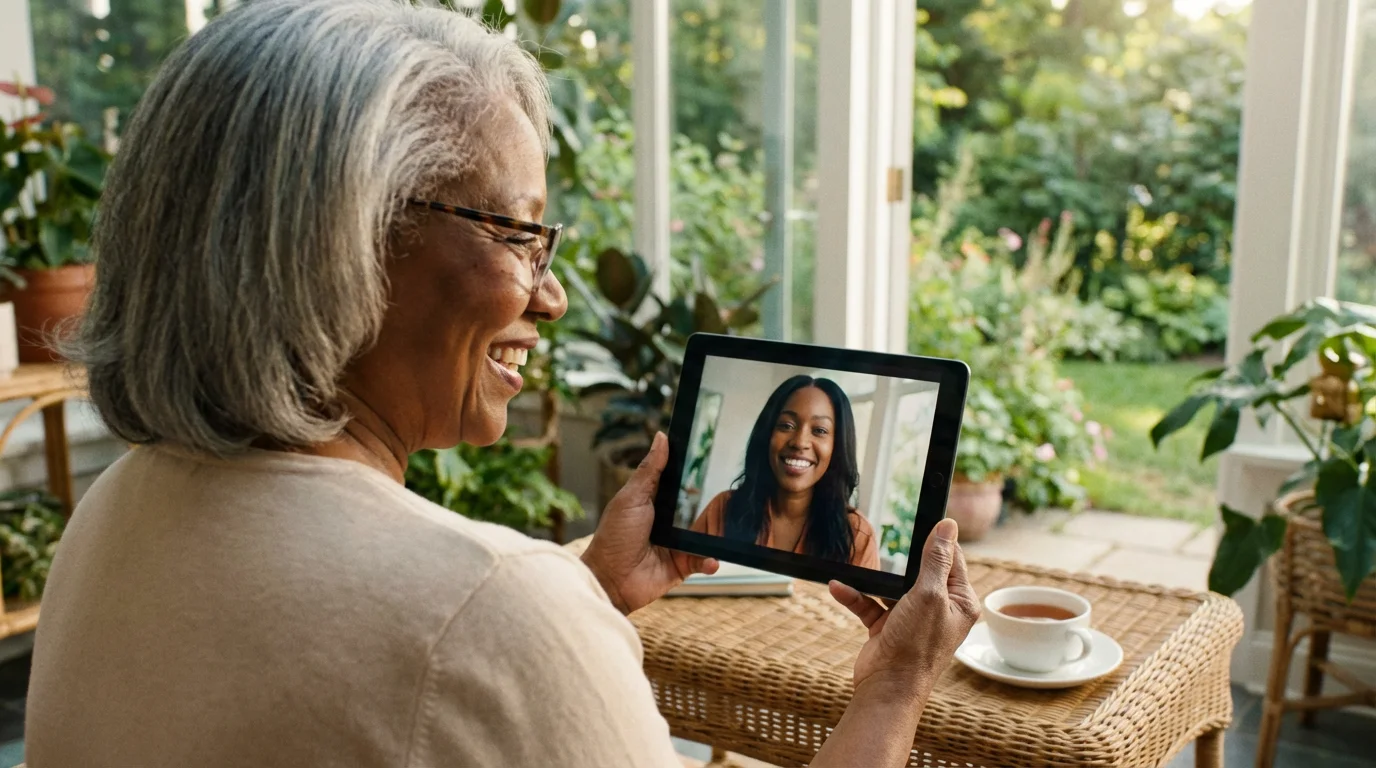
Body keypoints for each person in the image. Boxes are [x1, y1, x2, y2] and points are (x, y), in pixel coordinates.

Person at [23, 2, 980, 766]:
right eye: (520, 233)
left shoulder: (114, 509)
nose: (553, 295)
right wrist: (895, 688)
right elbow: (446, 641)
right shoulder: (495, 613)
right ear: (344, 249)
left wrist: (586, 585)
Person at [691, 375, 881, 569]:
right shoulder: (723, 509)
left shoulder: (857, 536)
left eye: (820, 430)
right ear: (767, 435)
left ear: (837, 446)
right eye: (786, 425)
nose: (799, 442)